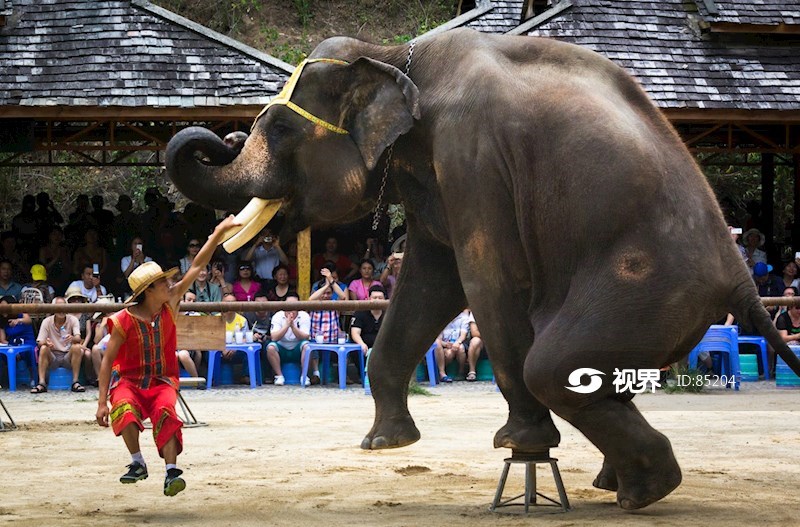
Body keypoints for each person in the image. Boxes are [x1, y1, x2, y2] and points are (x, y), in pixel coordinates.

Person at [95, 214, 239, 496]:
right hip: (129, 380)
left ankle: (172, 471)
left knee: (166, 413)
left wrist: (219, 232)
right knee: (123, 407)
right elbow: (107, 362)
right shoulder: (124, 320)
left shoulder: (169, 304)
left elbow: (198, 264)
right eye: (162, 283)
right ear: (148, 291)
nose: (169, 285)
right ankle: (137, 462)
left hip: (162, 379)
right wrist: (101, 402)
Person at [31, 296, 84, 393]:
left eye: (64, 307)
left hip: (68, 356)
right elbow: (39, 342)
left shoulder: (73, 320)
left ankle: (75, 382)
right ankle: (41, 383)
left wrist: (72, 338)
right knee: (43, 348)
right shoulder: (47, 321)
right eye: (58, 307)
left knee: (77, 347)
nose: (61, 310)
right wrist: (46, 343)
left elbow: (78, 338)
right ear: (53, 309)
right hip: (53, 356)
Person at [266, 294, 311, 386]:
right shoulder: (277, 316)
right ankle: (279, 376)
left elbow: (305, 336)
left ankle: (304, 375)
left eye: (294, 305)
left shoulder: (304, 316)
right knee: (270, 347)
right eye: (289, 305)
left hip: (297, 348)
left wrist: (293, 327)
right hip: (282, 348)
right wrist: (286, 325)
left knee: (307, 346)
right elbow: (274, 337)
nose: (291, 308)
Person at [221, 293, 252, 384]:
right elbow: (212, 337)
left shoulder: (242, 320)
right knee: (208, 353)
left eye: (233, 302)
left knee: (248, 352)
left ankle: (245, 376)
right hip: (220, 350)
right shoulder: (216, 318)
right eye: (227, 302)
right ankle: (213, 377)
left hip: (236, 351)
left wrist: (234, 348)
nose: (230, 305)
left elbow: (245, 338)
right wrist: (222, 349)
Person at [434, 309, 470, 383]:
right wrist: (445, 344)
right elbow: (438, 338)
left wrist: (457, 342)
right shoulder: (440, 317)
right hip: (444, 344)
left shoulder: (463, 317)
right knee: (449, 354)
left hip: (458, 342)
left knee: (461, 348)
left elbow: (463, 335)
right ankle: (442, 373)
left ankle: (461, 372)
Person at [350, 285, 386, 356]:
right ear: (369, 298)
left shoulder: (389, 314)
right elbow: (355, 333)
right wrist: (362, 344)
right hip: (365, 348)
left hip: (384, 349)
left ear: (385, 299)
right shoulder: (360, 313)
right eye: (374, 298)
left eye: (380, 298)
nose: (377, 300)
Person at [39, 226, 72, 293]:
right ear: (49, 236)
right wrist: (56, 258)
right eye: (54, 234)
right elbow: (42, 268)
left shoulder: (65, 250)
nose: (57, 237)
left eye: (59, 234)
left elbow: (69, 267)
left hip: (63, 280)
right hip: (49, 280)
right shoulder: (44, 250)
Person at [465, 311, 484, 382]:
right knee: (475, 341)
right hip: (482, 339)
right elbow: (474, 332)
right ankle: (472, 371)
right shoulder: (475, 313)